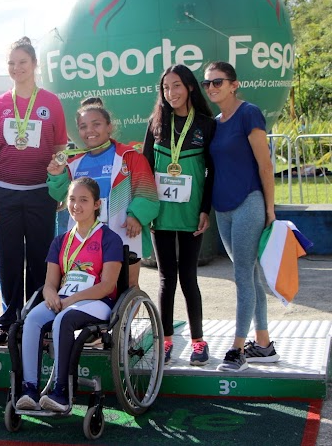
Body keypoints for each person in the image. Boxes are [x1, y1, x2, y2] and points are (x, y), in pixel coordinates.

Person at [0, 36, 68, 346]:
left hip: (40, 193)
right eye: (12, 63)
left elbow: (60, 148)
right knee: (8, 261)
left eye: (23, 62)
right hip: (4, 194)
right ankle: (9, 321)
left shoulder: (51, 103)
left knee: (41, 261)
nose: (17, 68)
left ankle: (37, 319)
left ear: (34, 65)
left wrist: (59, 188)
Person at [16, 177, 123, 412]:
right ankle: (30, 389)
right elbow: (49, 283)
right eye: (72, 199)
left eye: (83, 200)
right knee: (32, 318)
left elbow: (107, 285)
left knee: (64, 319)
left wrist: (70, 301)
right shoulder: (60, 241)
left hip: (97, 301)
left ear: (97, 204)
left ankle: (61, 392)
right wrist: (51, 294)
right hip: (64, 299)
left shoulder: (110, 239)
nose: (76, 205)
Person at [203, 61, 278, 372]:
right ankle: (264, 344)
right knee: (250, 276)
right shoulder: (215, 123)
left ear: (234, 84)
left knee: (241, 275)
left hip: (249, 202)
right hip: (223, 210)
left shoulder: (249, 113)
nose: (212, 88)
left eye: (218, 82)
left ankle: (237, 348)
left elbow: (265, 165)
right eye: (207, 84)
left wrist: (270, 210)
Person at [142, 64, 216, 366]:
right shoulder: (156, 123)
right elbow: (145, 168)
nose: (171, 93)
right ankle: (167, 339)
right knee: (165, 279)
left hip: (190, 213)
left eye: (176, 86)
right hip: (160, 214)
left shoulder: (205, 124)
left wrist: (204, 210)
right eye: (166, 88)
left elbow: (211, 173)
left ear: (189, 88)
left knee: (188, 277)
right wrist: (145, 207)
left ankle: (198, 341)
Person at [47, 103, 159, 291]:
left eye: (96, 124)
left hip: (123, 233)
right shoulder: (74, 163)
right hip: (85, 238)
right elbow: (61, 195)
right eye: (83, 126)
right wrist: (57, 175)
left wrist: (136, 215)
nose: (89, 130)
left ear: (110, 127)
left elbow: (146, 190)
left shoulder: (129, 157)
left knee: (128, 288)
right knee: (87, 287)